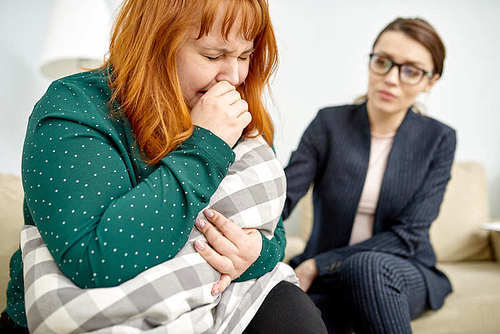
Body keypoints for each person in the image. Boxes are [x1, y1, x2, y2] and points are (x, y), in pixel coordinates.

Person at [1, 0, 326, 333]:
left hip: (214, 301)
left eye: (244, 56)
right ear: (154, 43)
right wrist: (206, 143)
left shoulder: (238, 111)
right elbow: (96, 261)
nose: (234, 76)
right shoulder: (75, 107)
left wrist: (255, 254)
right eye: (213, 56)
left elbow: (273, 231)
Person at [283, 17, 456, 334]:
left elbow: (408, 236)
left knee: (367, 267)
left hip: (400, 269)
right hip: (325, 275)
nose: (391, 79)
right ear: (371, 61)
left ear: (430, 81)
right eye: (383, 62)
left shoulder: (439, 139)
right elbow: (283, 197)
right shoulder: (328, 124)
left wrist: (319, 264)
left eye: (411, 71)